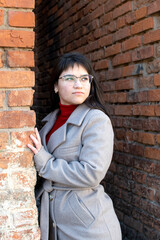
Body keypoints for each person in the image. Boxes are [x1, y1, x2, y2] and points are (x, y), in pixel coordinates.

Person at [27, 52, 122, 240]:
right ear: (55, 86)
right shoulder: (48, 122)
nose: (78, 84)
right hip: (55, 222)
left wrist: (45, 164)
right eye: (69, 78)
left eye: (84, 78)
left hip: (88, 227)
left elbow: (91, 173)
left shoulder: (96, 120)